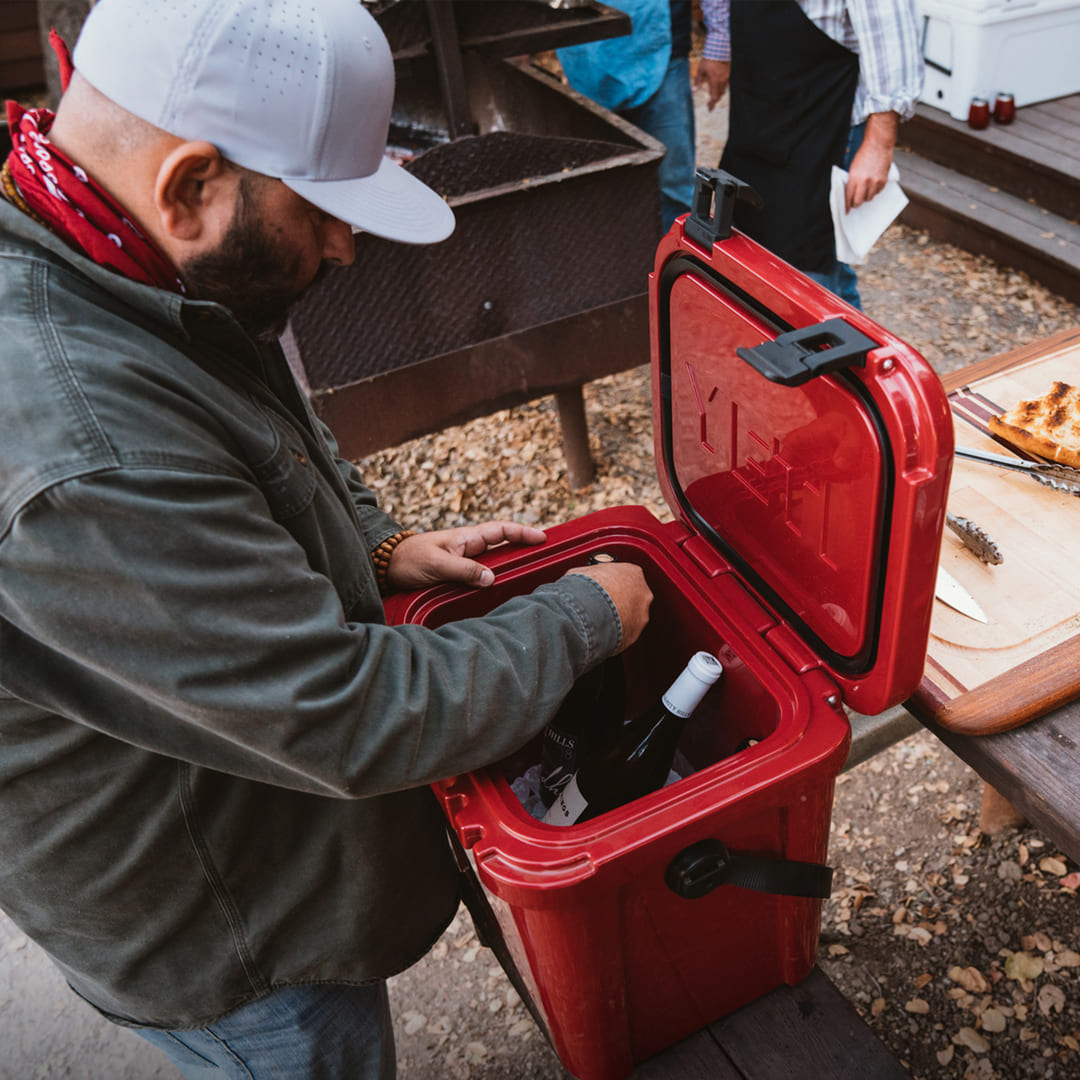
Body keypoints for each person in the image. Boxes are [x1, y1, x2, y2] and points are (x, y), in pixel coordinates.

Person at [0, 2, 653, 1078]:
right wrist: (586, 617)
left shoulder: (113, 247)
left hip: (248, 799)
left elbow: (259, 426)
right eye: (321, 209)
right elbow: (343, 714)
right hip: (225, 918)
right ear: (192, 185)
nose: (347, 244)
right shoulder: (81, 446)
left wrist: (377, 540)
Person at [697, 0, 924, 309]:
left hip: (822, 126)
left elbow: (891, 34)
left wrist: (879, 143)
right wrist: (720, 47)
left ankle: (833, 352)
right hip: (759, 112)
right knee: (758, 248)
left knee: (808, 274)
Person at [557, 0, 696, 232]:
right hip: (586, 54)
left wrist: (718, 46)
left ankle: (678, 261)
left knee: (672, 184)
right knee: (600, 185)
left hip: (659, 47)